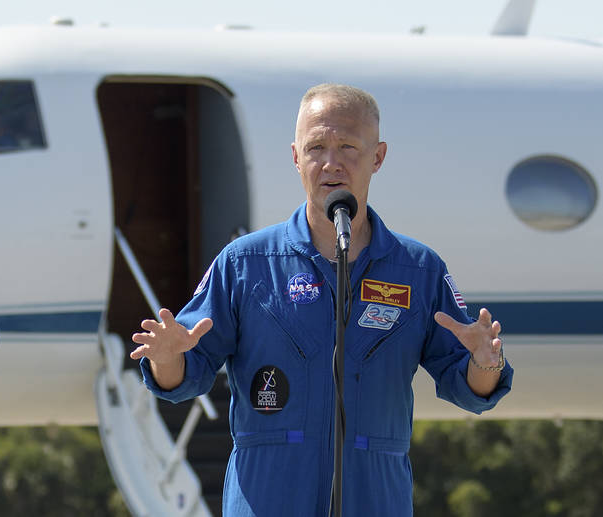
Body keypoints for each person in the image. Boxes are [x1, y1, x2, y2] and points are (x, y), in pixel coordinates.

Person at [130, 83, 513, 516]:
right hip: (269, 496)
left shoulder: (418, 270)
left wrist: (485, 361)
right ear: (296, 157)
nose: (331, 163)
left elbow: (470, 389)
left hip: (375, 497)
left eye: (348, 146)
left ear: (378, 157)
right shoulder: (247, 263)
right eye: (316, 147)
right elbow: (186, 377)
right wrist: (166, 358)